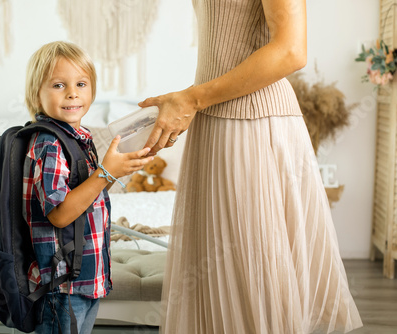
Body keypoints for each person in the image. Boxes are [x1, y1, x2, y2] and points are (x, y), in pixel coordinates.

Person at [138, 0, 363, 333]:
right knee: (217, 271)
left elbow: (291, 50)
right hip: (214, 118)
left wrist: (191, 99)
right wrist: (193, 101)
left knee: (254, 270)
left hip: (249, 124)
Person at [22, 41, 152, 334]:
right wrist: (106, 174)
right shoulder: (49, 144)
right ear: (36, 94)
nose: (72, 93)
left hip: (84, 278)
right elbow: (59, 214)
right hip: (60, 285)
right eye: (58, 85)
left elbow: (88, 198)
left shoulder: (79, 137)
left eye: (81, 83)